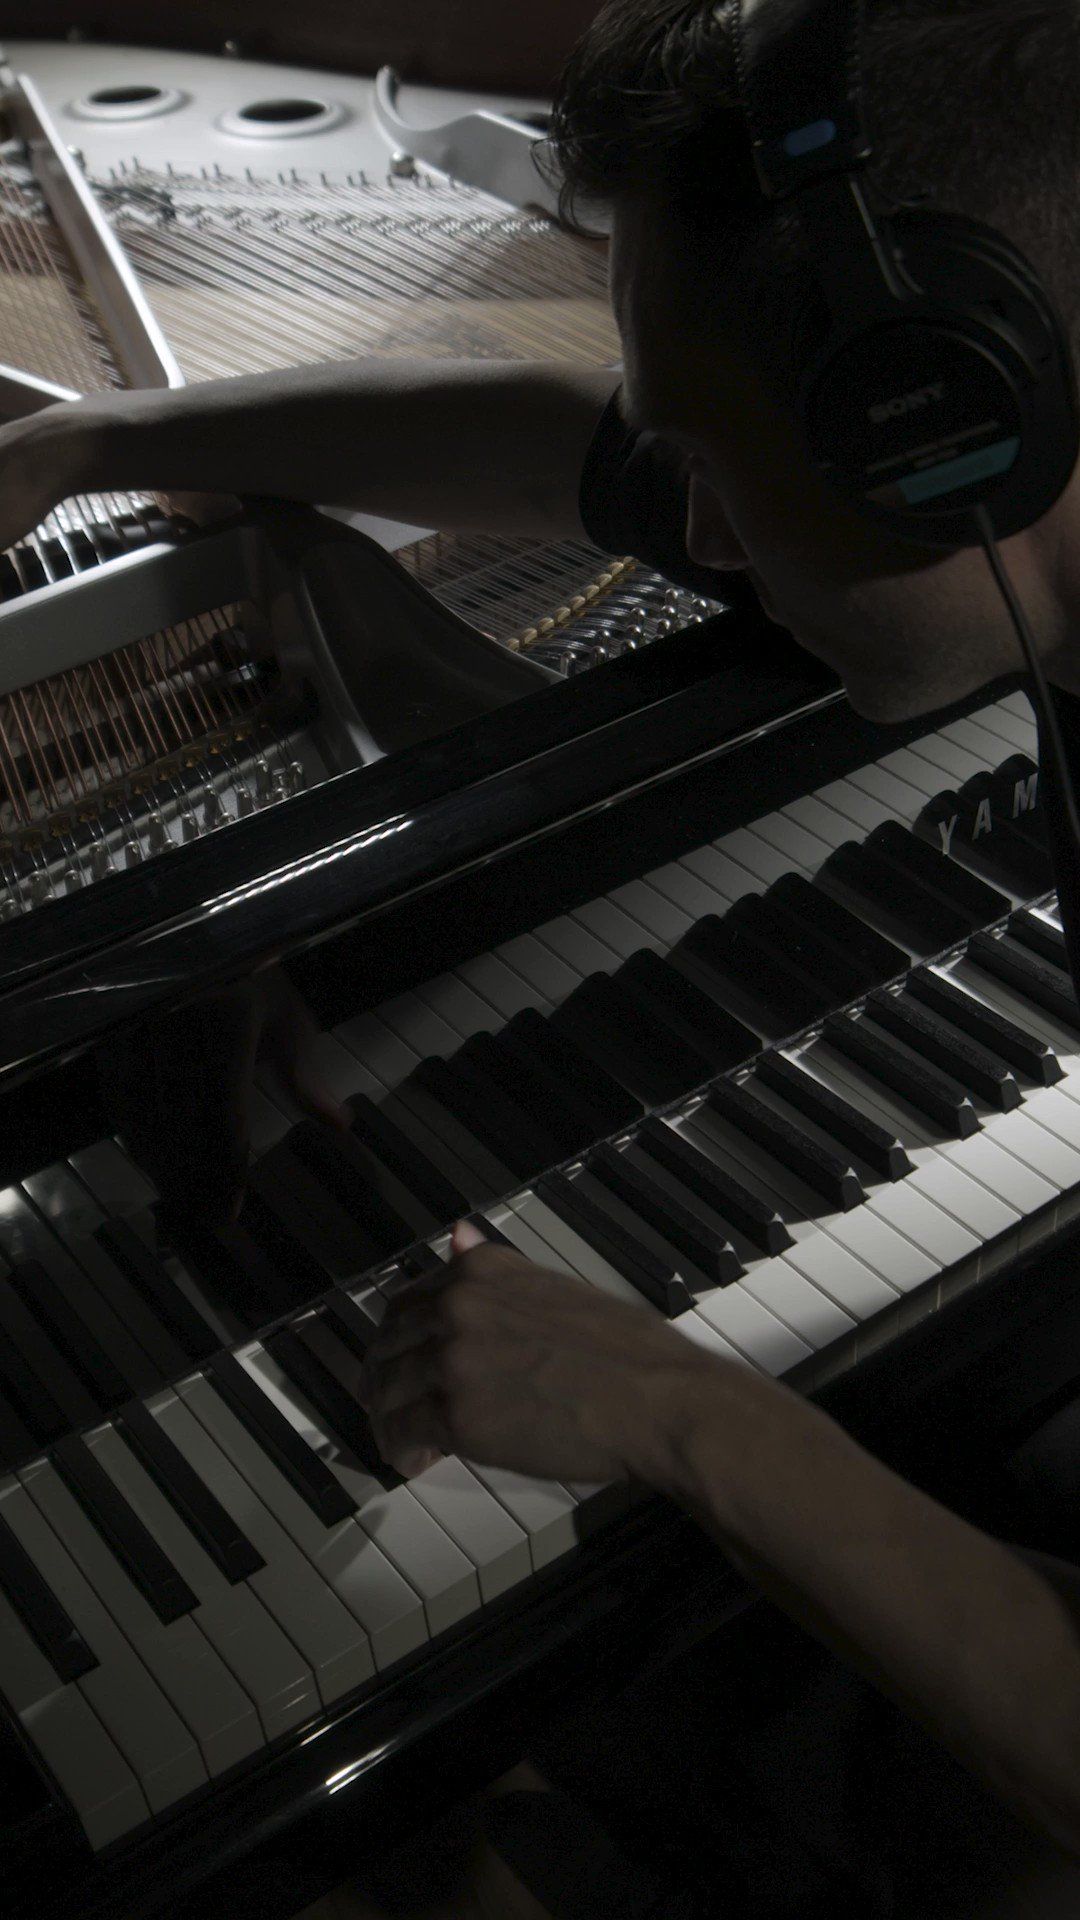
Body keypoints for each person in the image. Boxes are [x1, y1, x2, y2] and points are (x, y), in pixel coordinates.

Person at [3, 3, 1080, 1912]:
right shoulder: (968, 500)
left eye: (716, 464)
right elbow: (557, 451)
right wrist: (106, 435)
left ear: (931, 421)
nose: (690, 526)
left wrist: (698, 1419)